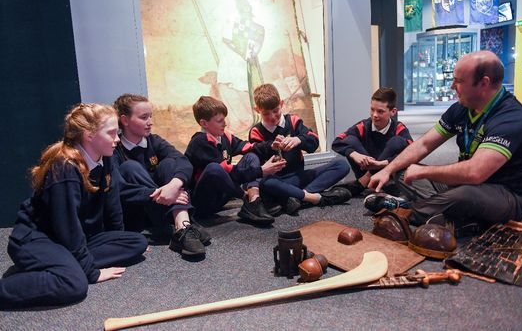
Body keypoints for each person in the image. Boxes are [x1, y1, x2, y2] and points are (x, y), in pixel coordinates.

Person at [0, 103, 147, 309]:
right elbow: (67, 227)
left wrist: (119, 240)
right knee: (74, 285)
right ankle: (64, 268)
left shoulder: (106, 158)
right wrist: (91, 272)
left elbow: (113, 205)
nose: (116, 139)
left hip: (74, 237)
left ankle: (63, 264)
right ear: (89, 135)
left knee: (136, 242)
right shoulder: (65, 169)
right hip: (38, 239)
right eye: (111, 133)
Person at [367, 50, 522, 233]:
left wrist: (424, 171)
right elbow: (424, 144)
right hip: (465, 184)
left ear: (484, 83)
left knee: (463, 196)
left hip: (506, 194)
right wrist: (387, 170)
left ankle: (404, 211)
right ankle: (450, 215)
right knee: (402, 168)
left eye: (459, 81)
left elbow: (476, 172)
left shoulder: (511, 116)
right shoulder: (462, 108)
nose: (452, 86)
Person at [113, 94, 210, 257]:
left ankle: (182, 225)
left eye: (150, 116)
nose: (150, 122)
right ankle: (185, 225)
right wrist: (161, 195)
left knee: (170, 164)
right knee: (130, 167)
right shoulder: (114, 149)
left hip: (163, 210)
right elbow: (119, 189)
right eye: (144, 117)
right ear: (125, 120)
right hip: (139, 213)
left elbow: (183, 161)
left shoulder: (154, 140)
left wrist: (173, 187)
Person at [249, 84, 351, 215]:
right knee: (266, 184)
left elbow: (313, 142)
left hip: (298, 176)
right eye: (266, 113)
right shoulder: (256, 131)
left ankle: (298, 198)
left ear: (281, 104)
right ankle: (315, 198)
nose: (273, 117)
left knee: (342, 165)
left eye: (275, 110)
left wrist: (298, 140)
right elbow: (256, 159)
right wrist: (272, 147)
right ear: (257, 110)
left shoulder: (293, 120)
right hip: (277, 181)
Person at [185, 96, 287, 225]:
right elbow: (231, 172)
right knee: (214, 169)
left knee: (251, 156)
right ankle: (247, 199)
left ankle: (254, 201)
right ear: (204, 123)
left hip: (221, 197)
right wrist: (262, 171)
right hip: (203, 203)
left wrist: (271, 145)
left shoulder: (224, 136)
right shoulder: (200, 142)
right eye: (219, 121)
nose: (225, 124)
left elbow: (248, 147)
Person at [332, 87, 413, 196]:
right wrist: (354, 154)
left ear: (393, 112)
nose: (374, 115)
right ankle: (374, 183)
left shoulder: (399, 127)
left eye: (380, 111)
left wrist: (381, 164)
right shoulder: (363, 125)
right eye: (372, 109)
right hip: (364, 170)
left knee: (398, 142)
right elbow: (337, 142)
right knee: (350, 139)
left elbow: (413, 153)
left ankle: (365, 182)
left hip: (386, 175)